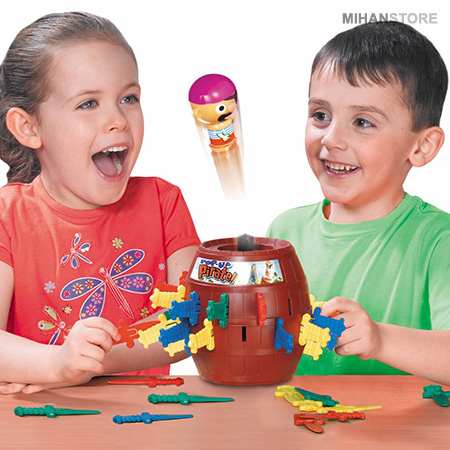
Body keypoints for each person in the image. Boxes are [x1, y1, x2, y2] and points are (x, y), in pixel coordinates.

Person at [0, 12, 200, 394]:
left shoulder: (164, 203)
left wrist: (89, 362)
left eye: (128, 98)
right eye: (88, 103)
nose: (118, 120)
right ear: (28, 127)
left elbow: (189, 322)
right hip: (38, 419)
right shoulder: (7, 217)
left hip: (146, 417)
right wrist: (57, 364)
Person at [267, 21, 450, 385]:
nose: (331, 139)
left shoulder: (437, 241)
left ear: (422, 147)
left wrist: (380, 339)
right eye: (321, 115)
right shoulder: (284, 232)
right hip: (297, 416)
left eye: (363, 122)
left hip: (398, 422)